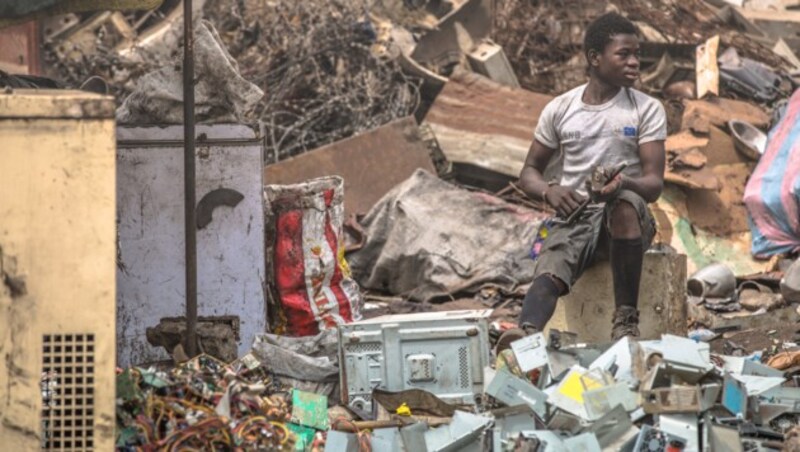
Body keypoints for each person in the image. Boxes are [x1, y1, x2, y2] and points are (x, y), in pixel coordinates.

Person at [498, 12, 667, 351]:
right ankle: (524, 336)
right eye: (624, 54)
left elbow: (653, 184)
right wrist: (550, 190)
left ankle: (625, 320)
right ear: (595, 58)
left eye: (638, 54)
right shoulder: (560, 109)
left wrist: (621, 185)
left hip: (626, 217)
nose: (635, 62)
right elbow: (529, 171)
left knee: (623, 206)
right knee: (551, 269)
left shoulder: (646, 109)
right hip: (574, 216)